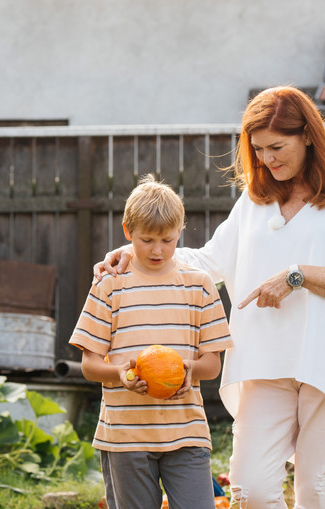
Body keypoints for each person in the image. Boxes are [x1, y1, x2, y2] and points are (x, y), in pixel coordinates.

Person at [95, 86, 325, 508]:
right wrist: (131, 254)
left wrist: (297, 276)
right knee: (250, 490)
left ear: (308, 135)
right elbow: (211, 262)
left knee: (317, 495)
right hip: (265, 361)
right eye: (259, 149)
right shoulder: (255, 198)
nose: (267, 159)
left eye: (277, 146)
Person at [70, 174, 233, 509]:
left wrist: (190, 369)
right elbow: (89, 364)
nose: (158, 250)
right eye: (146, 240)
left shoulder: (199, 286)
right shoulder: (109, 286)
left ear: (180, 232)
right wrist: (120, 376)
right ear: (128, 232)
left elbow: (212, 364)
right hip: (125, 436)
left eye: (168, 240)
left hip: (186, 433)